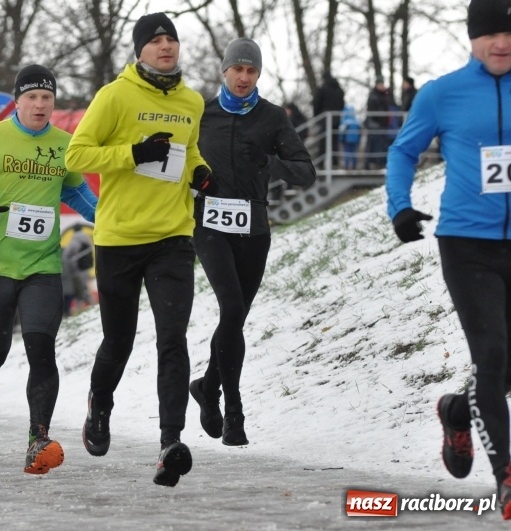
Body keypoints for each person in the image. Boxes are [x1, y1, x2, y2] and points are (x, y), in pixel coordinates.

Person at [65, 12, 211, 487]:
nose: (166, 46)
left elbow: (189, 150)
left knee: (174, 338)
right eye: (156, 40)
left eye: (172, 39)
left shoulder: (191, 101)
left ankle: (171, 442)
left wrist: (199, 171)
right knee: (119, 341)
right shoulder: (115, 95)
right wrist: (133, 153)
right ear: (139, 49)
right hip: (120, 238)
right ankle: (99, 407)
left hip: (172, 236)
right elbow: (78, 155)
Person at [385, 0, 511, 519]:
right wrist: (400, 207)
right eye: (490, 35)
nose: (501, 43)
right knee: (493, 352)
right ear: (472, 39)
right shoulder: (442, 93)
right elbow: (402, 151)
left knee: (504, 367)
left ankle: (456, 412)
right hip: (466, 244)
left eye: (508, 34)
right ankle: (506, 478)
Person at [0, 64, 97, 475]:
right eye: (32, 97)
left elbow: (77, 190)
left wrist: (110, 219)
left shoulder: (65, 143)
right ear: (18, 100)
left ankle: (37, 439)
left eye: (47, 97)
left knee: (42, 352)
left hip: (42, 267)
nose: (41, 104)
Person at [190, 38, 315, 447]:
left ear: (258, 75)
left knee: (235, 318)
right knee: (230, 306)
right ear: (223, 71)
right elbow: (177, 159)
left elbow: (305, 172)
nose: (244, 77)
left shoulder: (272, 117)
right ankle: (233, 411)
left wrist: (269, 162)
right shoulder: (199, 114)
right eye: (237, 69)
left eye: (251, 71)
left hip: (253, 229)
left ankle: (208, 387)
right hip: (208, 225)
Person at [312, 70, 345, 167]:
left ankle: (321, 164)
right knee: (334, 141)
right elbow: (341, 104)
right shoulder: (339, 89)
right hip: (336, 118)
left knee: (323, 142)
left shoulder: (322, 89)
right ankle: (334, 162)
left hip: (325, 118)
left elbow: (316, 103)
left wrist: (317, 116)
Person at [60, 227, 93, 317]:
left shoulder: (74, 241)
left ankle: (77, 312)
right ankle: (86, 308)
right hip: (85, 269)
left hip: (75, 271)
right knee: (84, 289)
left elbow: (67, 255)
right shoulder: (87, 239)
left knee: (76, 291)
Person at [364, 77, 394, 169]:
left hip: (380, 125)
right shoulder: (374, 96)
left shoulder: (383, 95)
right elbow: (374, 111)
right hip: (375, 125)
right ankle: (371, 164)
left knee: (379, 146)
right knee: (374, 146)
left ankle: (377, 163)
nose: (382, 86)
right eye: (380, 84)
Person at [339, 104, 362, 171]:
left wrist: (341, 140)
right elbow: (360, 132)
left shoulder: (345, 122)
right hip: (355, 141)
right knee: (354, 154)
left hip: (347, 141)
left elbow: (342, 132)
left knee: (347, 154)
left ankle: (347, 167)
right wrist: (359, 140)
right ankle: (354, 167)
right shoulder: (357, 122)